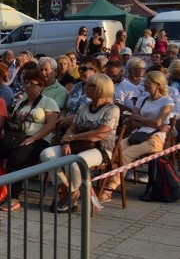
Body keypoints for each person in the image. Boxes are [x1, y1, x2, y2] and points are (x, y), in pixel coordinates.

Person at [40, 74, 119, 212]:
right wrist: (66, 142)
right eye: (86, 84)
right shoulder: (84, 106)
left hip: (101, 148)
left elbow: (100, 133)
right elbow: (72, 127)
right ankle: (70, 191)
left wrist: (72, 139)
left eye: (90, 85)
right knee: (46, 154)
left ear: (101, 89)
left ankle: (71, 197)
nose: (85, 87)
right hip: (77, 145)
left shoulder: (112, 109)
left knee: (74, 162)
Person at [0, 69, 59, 210]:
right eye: (26, 83)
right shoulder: (21, 101)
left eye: (32, 84)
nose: (28, 86)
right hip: (17, 137)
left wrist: (33, 138)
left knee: (16, 158)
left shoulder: (48, 102)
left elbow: (51, 125)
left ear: (41, 86)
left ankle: (14, 196)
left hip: (39, 140)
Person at [100, 71, 173, 203]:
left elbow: (157, 122)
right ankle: (107, 181)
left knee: (125, 155)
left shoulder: (167, 101)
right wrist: (151, 122)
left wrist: (142, 119)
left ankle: (109, 188)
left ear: (157, 84)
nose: (144, 84)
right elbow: (134, 121)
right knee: (114, 150)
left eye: (147, 82)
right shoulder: (142, 99)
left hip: (154, 138)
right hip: (138, 135)